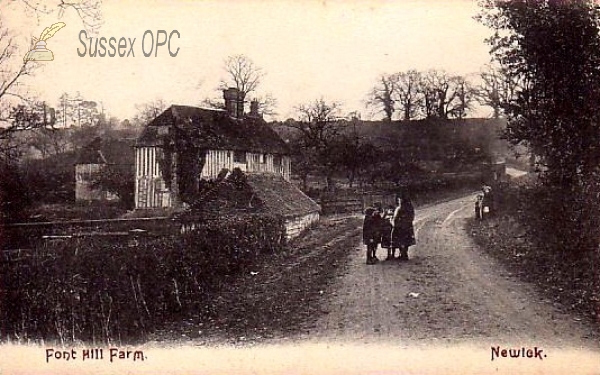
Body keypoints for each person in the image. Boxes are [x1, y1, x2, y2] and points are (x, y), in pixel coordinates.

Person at [391, 195, 416, 261]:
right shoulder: (410, 208)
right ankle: (404, 254)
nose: (399, 201)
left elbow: (395, 218)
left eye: (399, 200)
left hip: (400, 227)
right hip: (408, 226)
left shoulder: (400, 208)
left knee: (400, 240)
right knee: (406, 241)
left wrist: (394, 223)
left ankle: (403, 254)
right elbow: (412, 217)